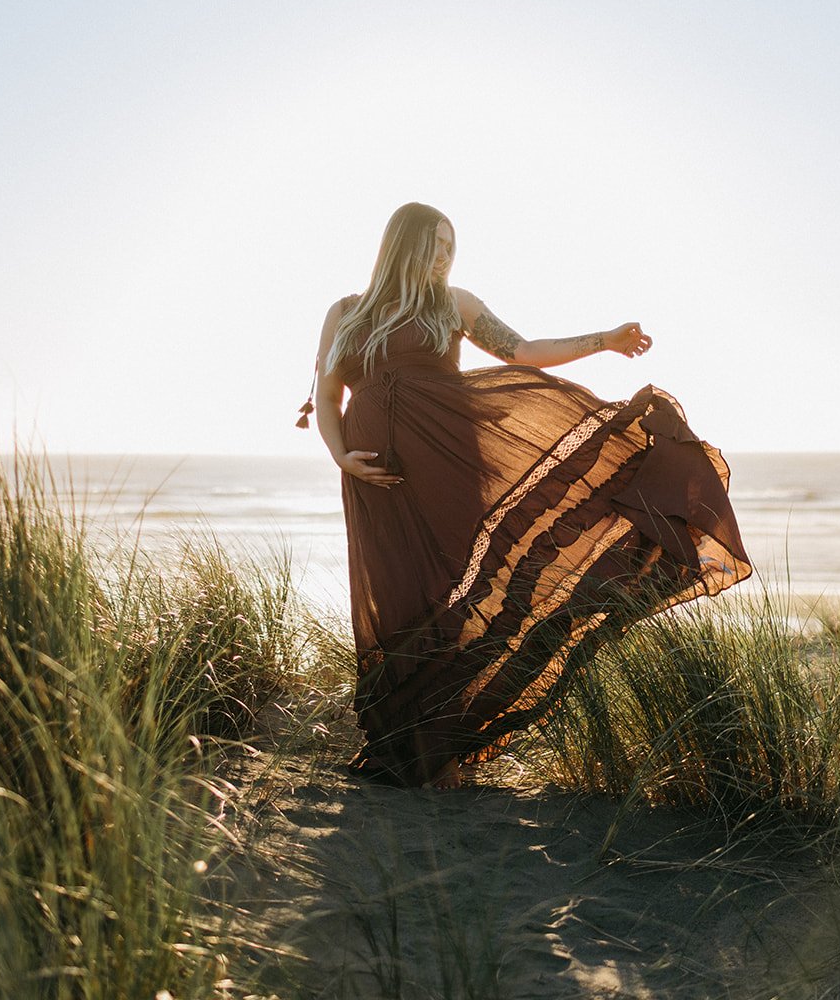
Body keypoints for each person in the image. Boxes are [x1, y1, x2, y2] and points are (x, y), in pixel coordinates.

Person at [308, 201, 750, 790]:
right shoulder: (346, 312)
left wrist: (605, 340)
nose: (444, 255)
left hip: (446, 467)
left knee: (449, 593)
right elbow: (328, 393)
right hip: (374, 481)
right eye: (434, 243)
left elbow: (524, 353)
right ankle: (398, 741)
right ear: (402, 244)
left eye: (451, 245)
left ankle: (441, 750)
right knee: (391, 598)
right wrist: (341, 456)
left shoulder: (454, 305)